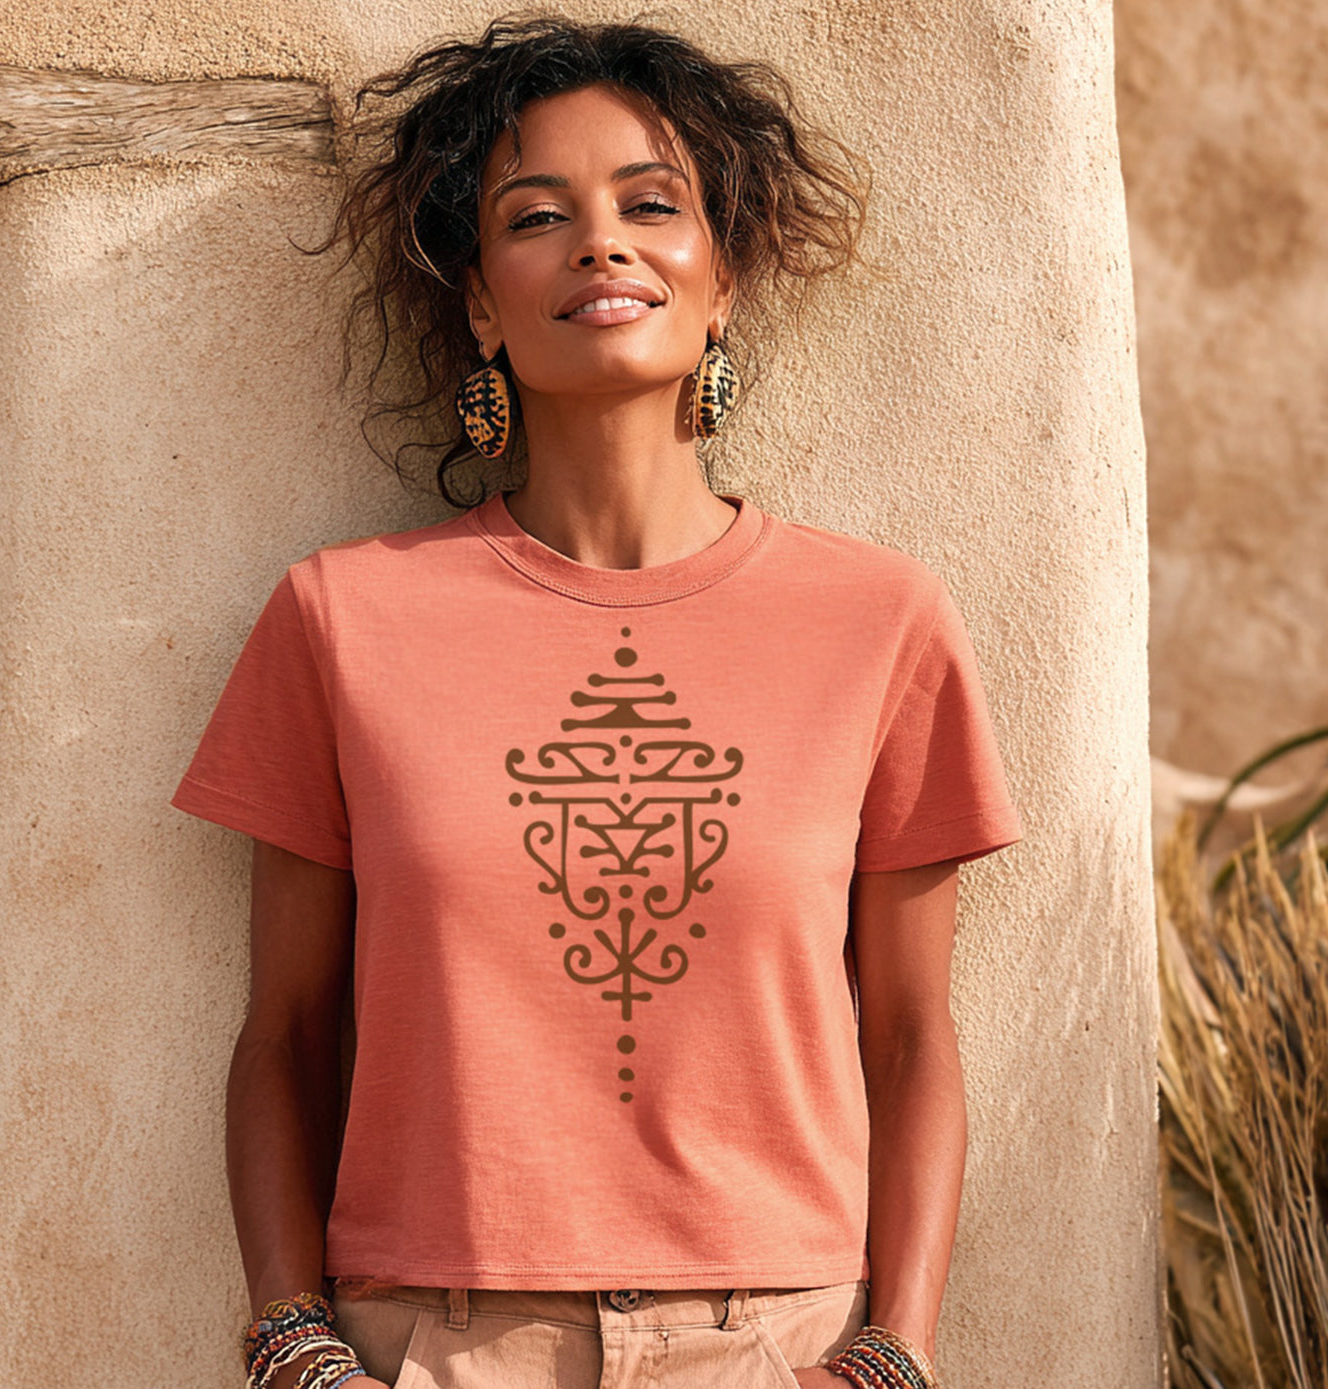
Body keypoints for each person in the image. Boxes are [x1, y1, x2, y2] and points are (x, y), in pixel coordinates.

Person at [170, 17, 1024, 1389]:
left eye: (649, 204)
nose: (600, 243)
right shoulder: (340, 621)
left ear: (723, 276)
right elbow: (285, 1030)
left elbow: (913, 1032)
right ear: (478, 304)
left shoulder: (881, 623)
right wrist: (294, 1345)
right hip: (436, 1342)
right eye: (534, 216)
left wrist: (891, 1358)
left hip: (771, 1339)